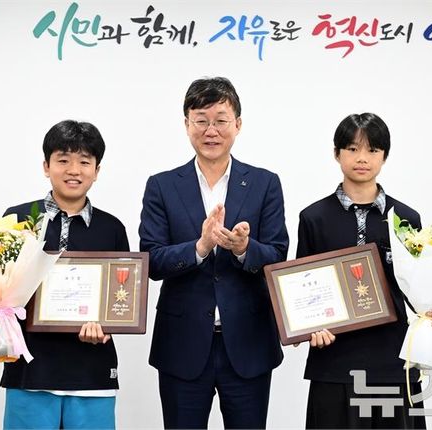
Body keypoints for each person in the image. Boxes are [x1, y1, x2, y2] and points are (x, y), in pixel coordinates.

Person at [139, 77, 289, 429]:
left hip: (248, 344)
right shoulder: (162, 185)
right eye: (201, 120)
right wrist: (200, 247)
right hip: (182, 345)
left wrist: (243, 248)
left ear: (238, 124)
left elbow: (278, 256)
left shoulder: (265, 183)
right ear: (186, 124)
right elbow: (151, 261)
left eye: (221, 120)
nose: (211, 130)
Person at [296, 113, 432, 429]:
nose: (362, 158)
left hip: (393, 360)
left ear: (384, 156)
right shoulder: (314, 218)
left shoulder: (405, 218)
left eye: (372, 150)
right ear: (336, 153)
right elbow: (303, 290)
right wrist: (309, 328)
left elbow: (417, 288)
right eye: (352, 149)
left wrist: (431, 313)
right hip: (334, 361)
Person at [0, 120, 129, 429]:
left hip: (92, 375)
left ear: (97, 170)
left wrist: (108, 326)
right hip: (30, 373)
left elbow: (121, 302)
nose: (74, 170)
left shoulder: (112, 228)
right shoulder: (17, 219)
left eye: (84, 162)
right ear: (46, 166)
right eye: (63, 160)